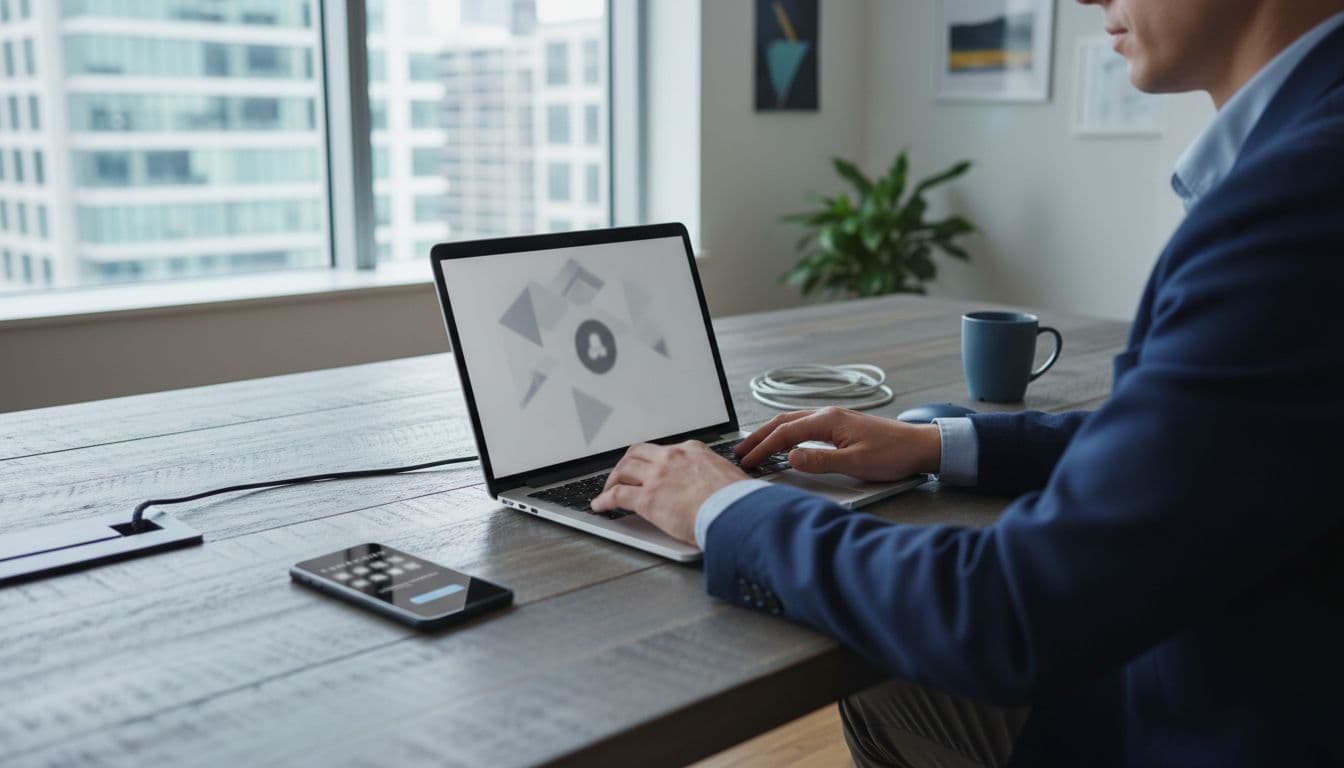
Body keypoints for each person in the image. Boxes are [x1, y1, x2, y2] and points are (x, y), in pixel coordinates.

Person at [591, 0, 1344, 764]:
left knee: (886, 655)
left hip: (1202, 728)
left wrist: (727, 506)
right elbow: (1197, 452)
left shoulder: (1302, 199)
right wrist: (933, 443)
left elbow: (1010, 613)